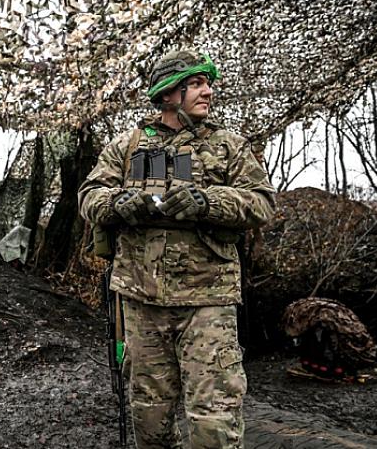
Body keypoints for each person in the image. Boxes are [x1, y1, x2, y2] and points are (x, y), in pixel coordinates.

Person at [78, 50, 276, 448]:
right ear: (169, 93)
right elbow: (89, 195)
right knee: (149, 416)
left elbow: (262, 203)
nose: (209, 91)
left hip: (207, 301)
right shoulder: (128, 145)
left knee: (214, 421)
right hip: (140, 299)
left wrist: (207, 202)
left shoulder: (228, 145)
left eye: (208, 83)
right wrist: (118, 203)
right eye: (197, 84)